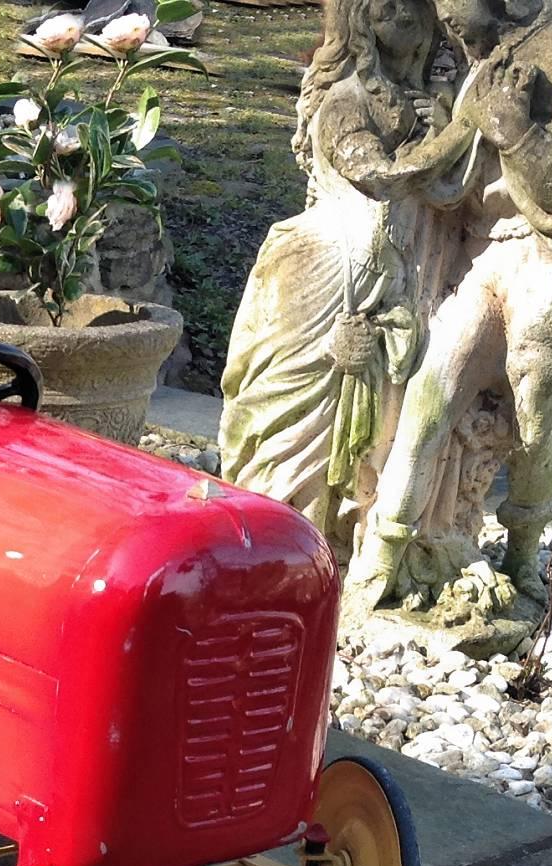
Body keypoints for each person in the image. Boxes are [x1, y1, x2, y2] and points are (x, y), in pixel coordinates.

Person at [342, 0, 552, 615]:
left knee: (534, 427)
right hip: (485, 258)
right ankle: (379, 560)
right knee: (430, 394)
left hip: (551, 269)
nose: (446, 13)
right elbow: (449, 166)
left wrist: (522, 134)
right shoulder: (483, 64)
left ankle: (523, 558)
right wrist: (413, 155)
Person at [219, 0, 456, 559]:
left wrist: (442, 123)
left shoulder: (419, 105)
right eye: (383, 7)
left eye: (412, 7)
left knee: (367, 417)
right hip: (320, 274)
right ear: (358, 24)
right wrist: (456, 134)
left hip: (383, 278)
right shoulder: (345, 101)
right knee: (289, 416)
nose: (400, 15)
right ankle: (269, 537)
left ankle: (330, 543)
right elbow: (376, 177)